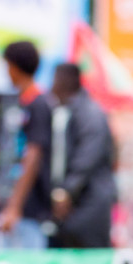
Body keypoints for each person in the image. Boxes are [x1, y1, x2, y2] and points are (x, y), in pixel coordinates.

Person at [46, 63, 116, 248]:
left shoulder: (89, 113)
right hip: (81, 202)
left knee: (89, 263)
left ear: (62, 82)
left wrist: (66, 191)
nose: (51, 88)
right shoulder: (73, 112)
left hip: (89, 204)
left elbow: (88, 157)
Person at [0, 40, 53, 249]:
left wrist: (14, 207)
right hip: (21, 206)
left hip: (30, 210)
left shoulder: (39, 104)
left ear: (15, 67)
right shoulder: (25, 103)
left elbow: (33, 155)